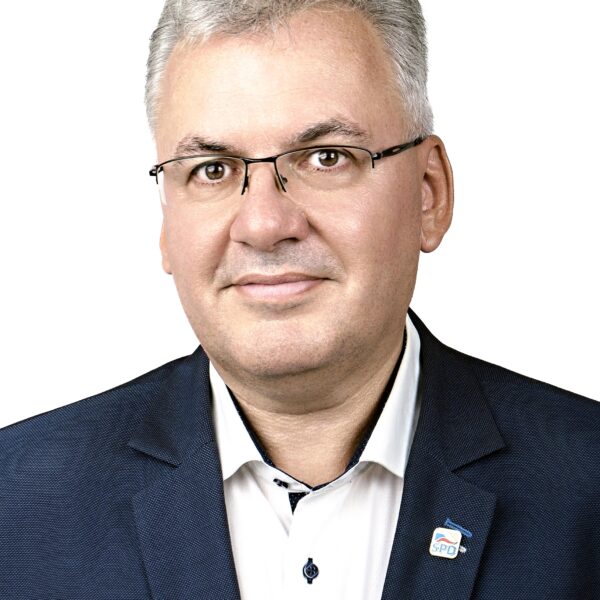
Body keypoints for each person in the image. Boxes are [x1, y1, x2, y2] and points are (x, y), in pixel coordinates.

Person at [0, 1, 598, 598]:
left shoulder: (584, 484)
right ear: (166, 222)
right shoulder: (15, 503)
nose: (264, 224)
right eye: (212, 169)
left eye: (326, 157)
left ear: (428, 193)